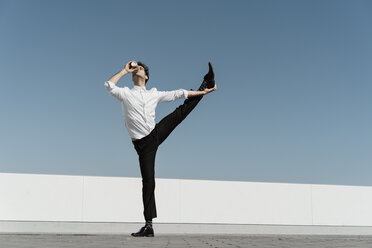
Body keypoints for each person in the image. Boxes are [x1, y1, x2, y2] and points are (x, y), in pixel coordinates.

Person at [104, 60, 217, 237]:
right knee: (148, 181)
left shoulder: (154, 94)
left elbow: (179, 93)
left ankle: (206, 82)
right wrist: (124, 71)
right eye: (135, 69)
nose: (136, 70)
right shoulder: (125, 93)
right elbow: (109, 85)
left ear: (146, 76)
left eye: (139, 69)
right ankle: (148, 226)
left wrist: (203, 91)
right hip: (142, 145)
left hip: (155, 133)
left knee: (180, 112)